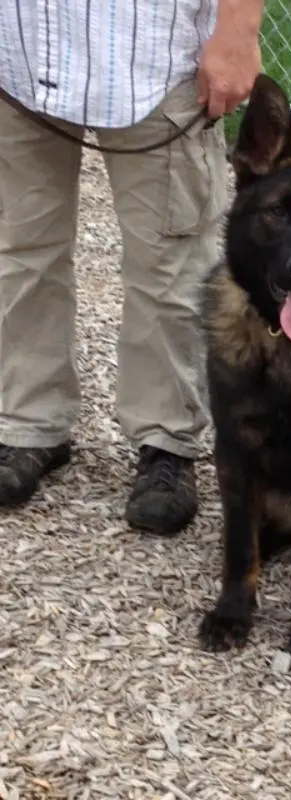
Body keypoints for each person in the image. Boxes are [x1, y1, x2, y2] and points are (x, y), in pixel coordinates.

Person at [0, 1, 263, 534]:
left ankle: (168, 442)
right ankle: (28, 424)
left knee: (170, 267)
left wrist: (238, 31)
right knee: (20, 249)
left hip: (155, 56)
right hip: (19, 51)